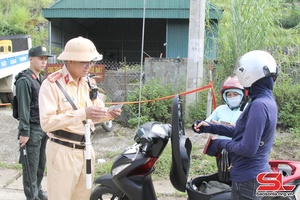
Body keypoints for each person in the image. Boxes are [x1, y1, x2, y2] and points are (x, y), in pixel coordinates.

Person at [38, 36, 121, 200]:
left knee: (82, 197)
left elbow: (94, 114)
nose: (88, 66)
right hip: (63, 150)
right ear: (69, 60)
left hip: (87, 149)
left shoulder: (88, 83)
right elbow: (46, 123)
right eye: (83, 61)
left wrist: (109, 114)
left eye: (90, 61)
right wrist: (83, 113)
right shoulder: (52, 84)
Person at [192, 50, 278, 199]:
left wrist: (220, 144)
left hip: (248, 179)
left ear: (250, 74)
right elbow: (240, 131)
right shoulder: (266, 102)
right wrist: (210, 127)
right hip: (251, 175)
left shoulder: (258, 105)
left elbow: (247, 149)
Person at [15, 46, 51, 200]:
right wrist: (24, 132)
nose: (43, 62)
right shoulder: (25, 80)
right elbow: (24, 109)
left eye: (45, 59)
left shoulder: (40, 79)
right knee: (30, 167)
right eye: (40, 59)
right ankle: (32, 196)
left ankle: (38, 191)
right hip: (31, 129)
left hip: (42, 128)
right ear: (31, 59)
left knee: (40, 165)